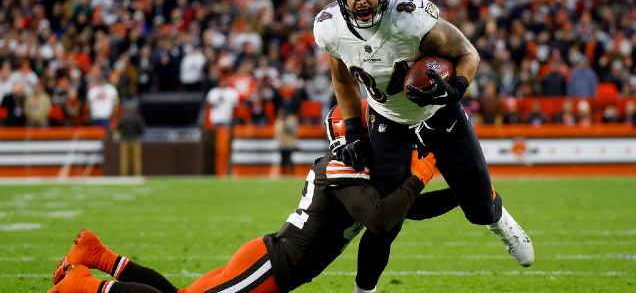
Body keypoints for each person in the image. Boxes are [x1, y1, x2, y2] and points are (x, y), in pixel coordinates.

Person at [48, 106, 457, 293]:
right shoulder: (341, 167)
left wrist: (462, 194)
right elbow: (384, 218)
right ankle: (80, 285)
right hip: (271, 268)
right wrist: (420, 175)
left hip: (267, 262)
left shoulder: (358, 172)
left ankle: (97, 255)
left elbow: (407, 208)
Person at [315, 0, 534, 292]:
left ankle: (495, 213)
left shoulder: (410, 18)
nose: (360, 2)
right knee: (386, 219)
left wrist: (455, 89)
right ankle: (364, 289)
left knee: (478, 210)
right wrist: (355, 132)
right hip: (388, 119)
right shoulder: (331, 29)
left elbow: (468, 54)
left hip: (438, 113)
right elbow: (343, 81)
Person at [115, 101, 146, 176]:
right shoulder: (137, 118)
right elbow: (142, 130)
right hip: (135, 140)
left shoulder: (122, 118)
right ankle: (137, 175)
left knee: (124, 160)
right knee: (136, 160)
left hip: (124, 141)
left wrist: (120, 136)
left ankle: (124, 176)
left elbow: (118, 129)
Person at [273, 108, 298, 176]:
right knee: (283, 160)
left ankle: (292, 174)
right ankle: (283, 174)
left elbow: (292, 130)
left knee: (289, 159)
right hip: (282, 143)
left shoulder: (290, 120)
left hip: (289, 143)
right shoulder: (278, 121)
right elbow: (277, 133)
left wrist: (286, 124)